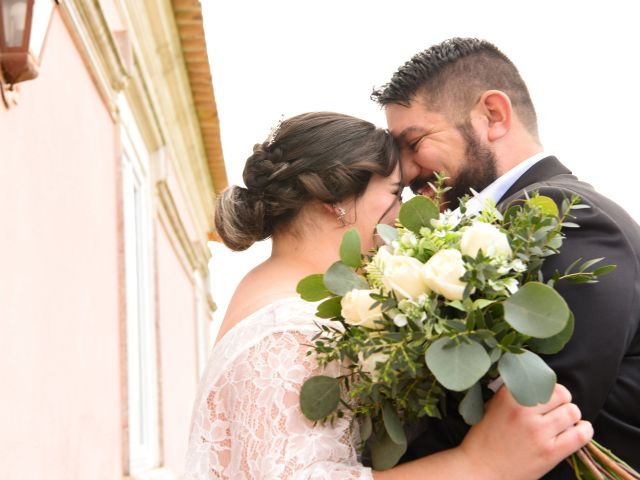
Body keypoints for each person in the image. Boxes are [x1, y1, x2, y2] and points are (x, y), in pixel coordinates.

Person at [184, 111, 592, 479]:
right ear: (334, 200)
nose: (403, 213)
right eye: (395, 194)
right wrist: (479, 464)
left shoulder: (271, 290)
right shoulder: (287, 330)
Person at [372, 37, 640, 477]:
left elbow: (534, 419)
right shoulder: (509, 220)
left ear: (493, 115)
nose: (403, 172)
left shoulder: (567, 217)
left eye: (414, 142)